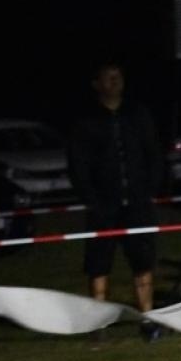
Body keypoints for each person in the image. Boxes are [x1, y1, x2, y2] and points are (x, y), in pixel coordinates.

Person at [66, 64, 165, 339]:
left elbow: (153, 154)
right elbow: (78, 164)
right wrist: (89, 197)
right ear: (96, 83)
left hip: (137, 203)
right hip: (103, 205)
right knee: (99, 263)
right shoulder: (85, 120)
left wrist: (149, 190)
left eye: (118, 76)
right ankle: (97, 323)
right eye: (108, 77)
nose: (114, 81)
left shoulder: (138, 113)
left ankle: (147, 319)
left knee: (142, 261)